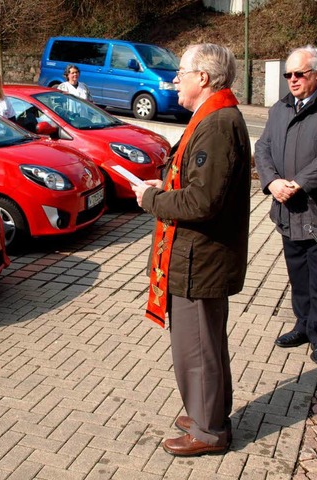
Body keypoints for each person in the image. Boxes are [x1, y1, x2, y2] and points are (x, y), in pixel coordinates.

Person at [132, 43, 251, 457]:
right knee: (204, 343)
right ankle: (208, 410)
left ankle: (209, 430)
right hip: (197, 256)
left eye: (181, 71)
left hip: (200, 259)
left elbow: (202, 201)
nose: (174, 79)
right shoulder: (215, 116)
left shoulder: (218, 123)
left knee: (197, 347)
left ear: (204, 78)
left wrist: (151, 199)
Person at [254, 46, 317, 366]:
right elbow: (263, 147)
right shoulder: (280, 107)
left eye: (300, 74)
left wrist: (298, 182)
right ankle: (303, 323)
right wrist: (272, 182)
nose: (293, 80)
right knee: (297, 272)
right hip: (286, 208)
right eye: (288, 74)